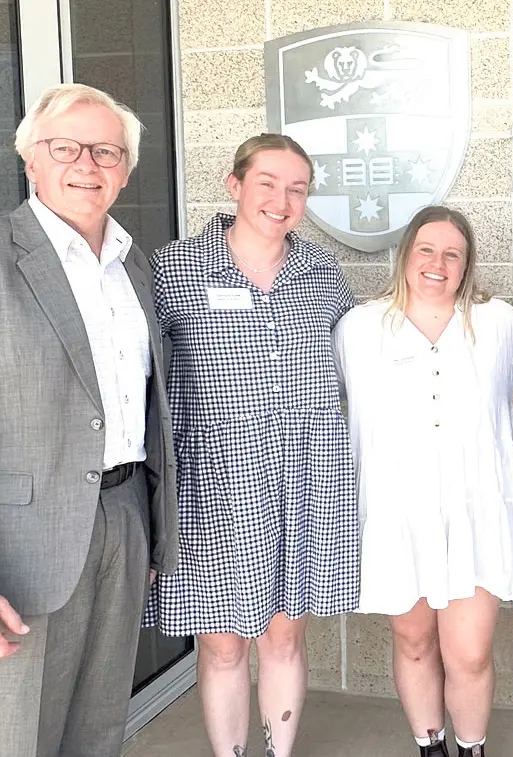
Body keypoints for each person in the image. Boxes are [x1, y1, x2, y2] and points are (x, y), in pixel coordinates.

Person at [0, 83, 178, 757]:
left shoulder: (133, 266)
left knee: (98, 726)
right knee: (8, 737)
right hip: (17, 548)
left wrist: (149, 529)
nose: (88, 162)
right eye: (66, 147)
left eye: (106, 150)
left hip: (122, 520)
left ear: (126, 169)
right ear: (30, 161)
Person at [147, 134, 357, 757]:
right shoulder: (174, 270)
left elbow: (359, 367)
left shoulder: (322, 276)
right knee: (221, 645)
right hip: (212, 488)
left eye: (296, 188)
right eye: (268, 182)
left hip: (305, 484)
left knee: (284, 639)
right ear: (235, 185)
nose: (282, 199)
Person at [334, 206, 513, 757]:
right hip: (395, 512)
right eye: (426, 249)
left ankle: (471, 748)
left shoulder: (497, 324)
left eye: (453, 253)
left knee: (469, 651)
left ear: (468, 263)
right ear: (405, 256)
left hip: (476, 511)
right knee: (414, 639)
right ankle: (430, 745)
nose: (438, 263)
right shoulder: (359, 328)